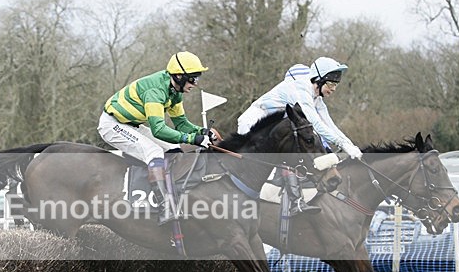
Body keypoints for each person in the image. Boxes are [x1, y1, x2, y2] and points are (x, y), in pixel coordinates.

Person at [97, 51, 220, 225]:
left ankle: (173, 196)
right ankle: (165, 207)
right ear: (179, 76)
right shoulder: (156, 90)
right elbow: (158, 130)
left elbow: (181, 124)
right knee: (154, 150)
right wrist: (193, 139)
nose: (195, 84)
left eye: (197, 79)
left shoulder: (175, 92)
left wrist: (201, 131)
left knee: (173, 150)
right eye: (193, 79)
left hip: (132, 124)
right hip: (112, 124)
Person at [236, 57, 362, 216]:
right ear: (319, 79)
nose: (334, 88)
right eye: (331, 84)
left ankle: (295, 201)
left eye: (336, 85)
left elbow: (330, 125)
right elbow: (316, 123)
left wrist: (350, 145)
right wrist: (344, 146)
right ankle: (293, 201)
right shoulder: (301, 90)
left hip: (274, 128)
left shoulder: (316, 98)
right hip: (252, 124)